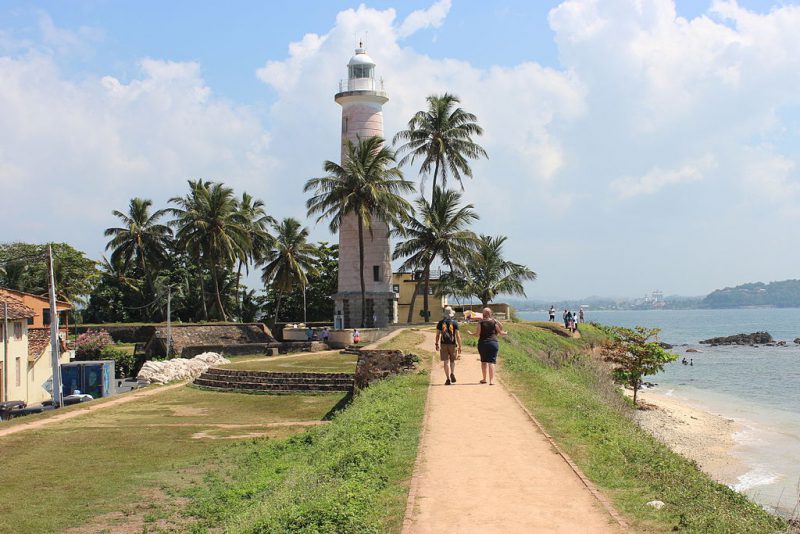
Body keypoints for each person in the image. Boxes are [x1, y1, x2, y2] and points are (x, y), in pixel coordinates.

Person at [468, 307, 507, 385]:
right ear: (490, 313)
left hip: (483, 343)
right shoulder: (494, 322)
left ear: (483, 314)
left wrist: (471, 333)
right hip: (493, 343)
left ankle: (484, 379)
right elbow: (501, 330)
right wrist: (505, 332)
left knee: (483, 362)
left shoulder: (480, 322)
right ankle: (491, 381)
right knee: (491, 362)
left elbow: (477, 334)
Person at [435, 306, 462, 385]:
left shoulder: (440, 323)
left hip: (443, 344)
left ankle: (447, 379)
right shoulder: (454, 323)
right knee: (452, 361)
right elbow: (458, 336)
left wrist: (436, 344)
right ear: (451, 314)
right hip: (452, 344)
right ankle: (452, 373)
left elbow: (437, 335)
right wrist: (460, 346)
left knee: (445, 362)